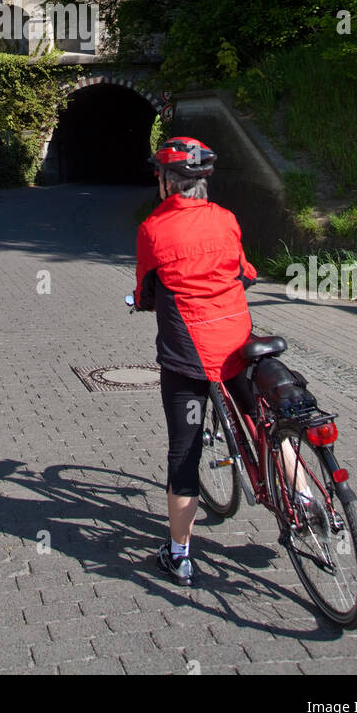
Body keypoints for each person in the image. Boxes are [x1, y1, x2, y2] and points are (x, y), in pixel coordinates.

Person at [132, 136, 256, 587]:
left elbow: (146, 291)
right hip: (238, 346)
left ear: (166, 182)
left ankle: (180, 554)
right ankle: (306, 501)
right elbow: (245, 272)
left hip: (188, 357)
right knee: (265, 423)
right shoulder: (226, 219)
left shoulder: (153, 229)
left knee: (184, 452)